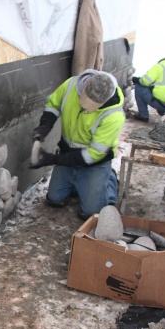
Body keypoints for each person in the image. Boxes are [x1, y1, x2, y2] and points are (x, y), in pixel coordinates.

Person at [30, 69, 124, 220]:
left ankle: (109, 179)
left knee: (90, 213)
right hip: (69, 153)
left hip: (95, 163)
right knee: (54, 199)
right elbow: (54, 104)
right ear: (86, 84)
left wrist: (53, 159)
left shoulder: (114, 115)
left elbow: (92, 155)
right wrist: (45, 126)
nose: (87, 108)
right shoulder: (71, 85)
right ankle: (80, 184)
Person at [132, 57, 165, 122]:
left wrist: (136, 80)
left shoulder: (159, 67)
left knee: (139, 87)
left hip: (159, 103)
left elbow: (145, 81)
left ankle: (143, 115)